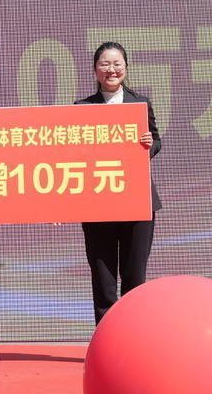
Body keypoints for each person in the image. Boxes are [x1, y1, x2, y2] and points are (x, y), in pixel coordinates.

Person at [75, 41, 161, 324]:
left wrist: (148, 144)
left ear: (126, 68)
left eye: (117, 64)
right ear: (95, 69)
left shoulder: (140, 104)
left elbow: (156, 141)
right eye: (105, 64)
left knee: (134, 277)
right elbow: (72, 153)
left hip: (136, 201)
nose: (111, 70)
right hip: (98, 201)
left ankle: (132, 335)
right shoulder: (82, 108)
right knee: (103, 277)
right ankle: (106, 336)